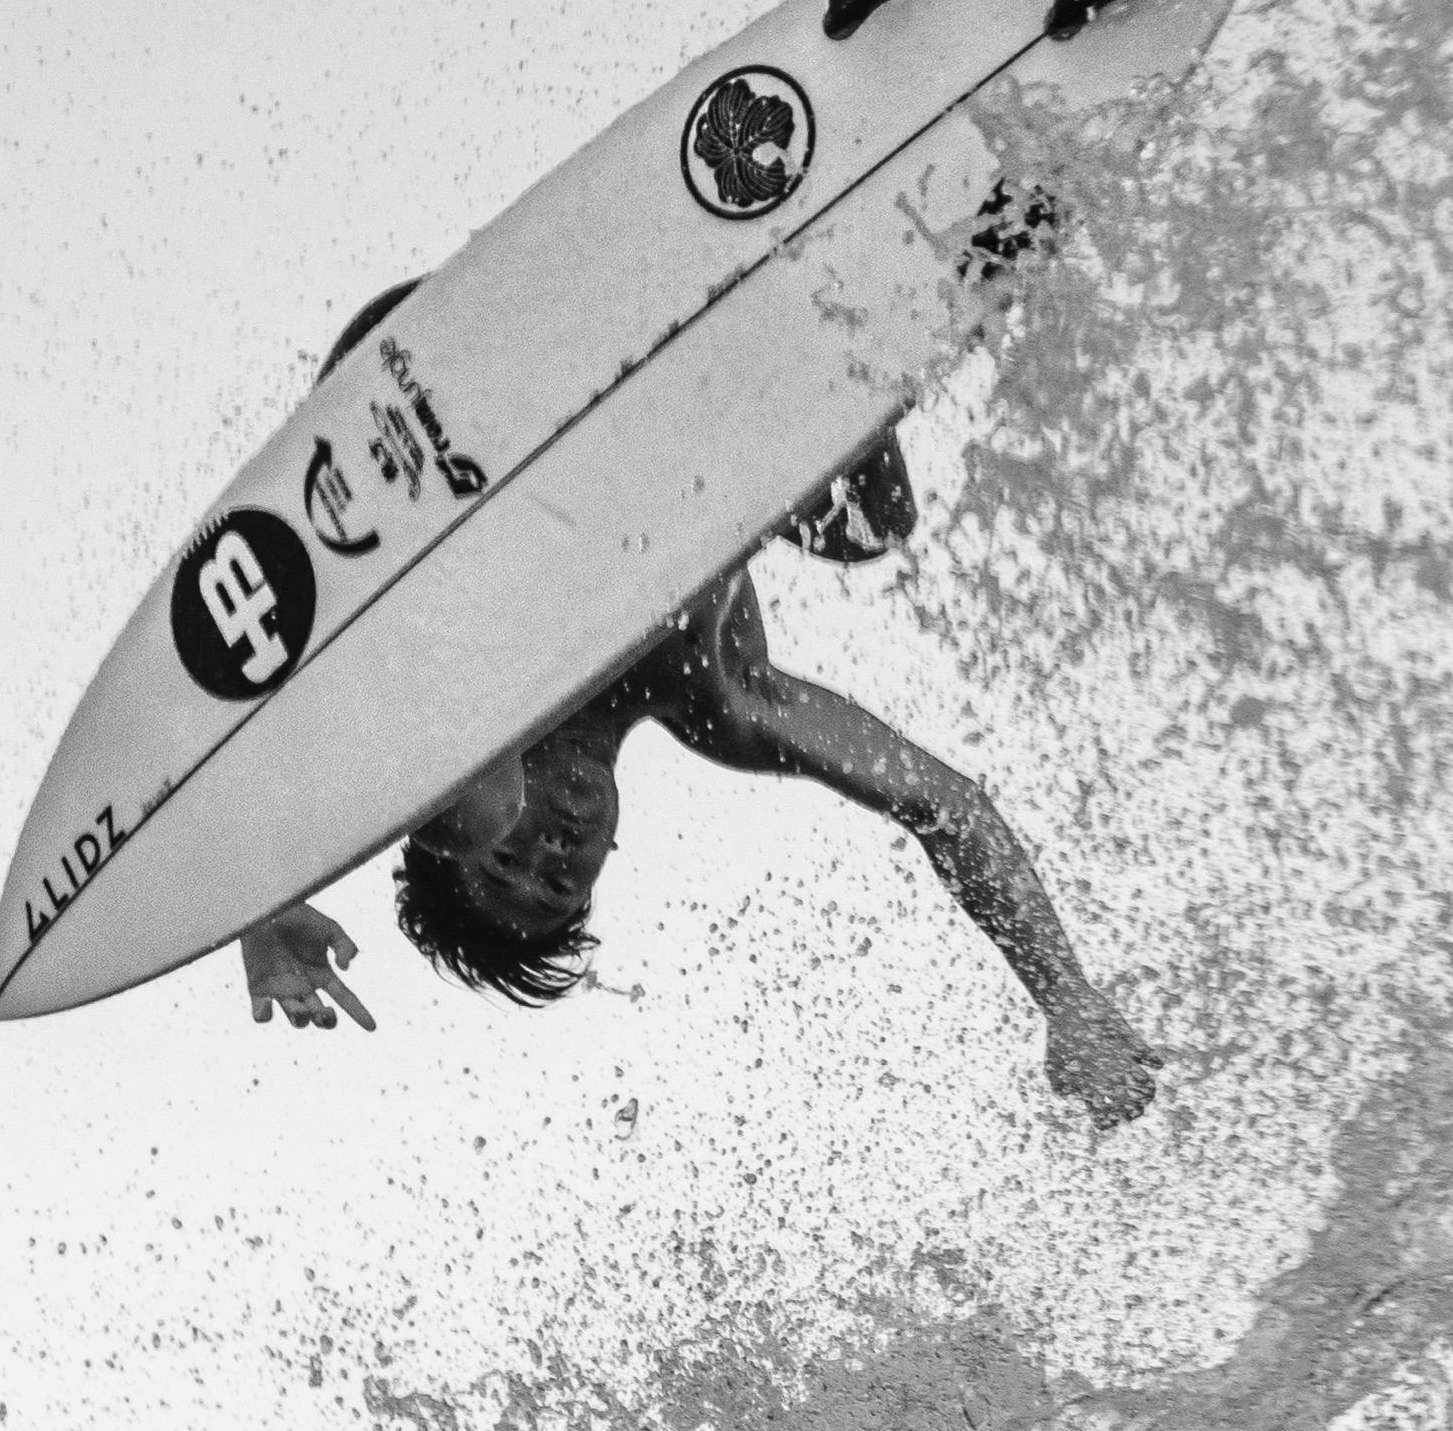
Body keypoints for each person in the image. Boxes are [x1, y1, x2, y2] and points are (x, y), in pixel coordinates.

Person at [235, 294, 1159, 1134]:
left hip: (436, 397)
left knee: (455, 775)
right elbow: (944, 805)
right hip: (714, 365)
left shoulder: (458, 686)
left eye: (513, 856)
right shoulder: (723, 697)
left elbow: (299, 699)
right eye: (562, 882)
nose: (553, 848)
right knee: (871, 528)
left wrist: (256, 897)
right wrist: (1066, 997)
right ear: (607, 864)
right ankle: (858, 292)